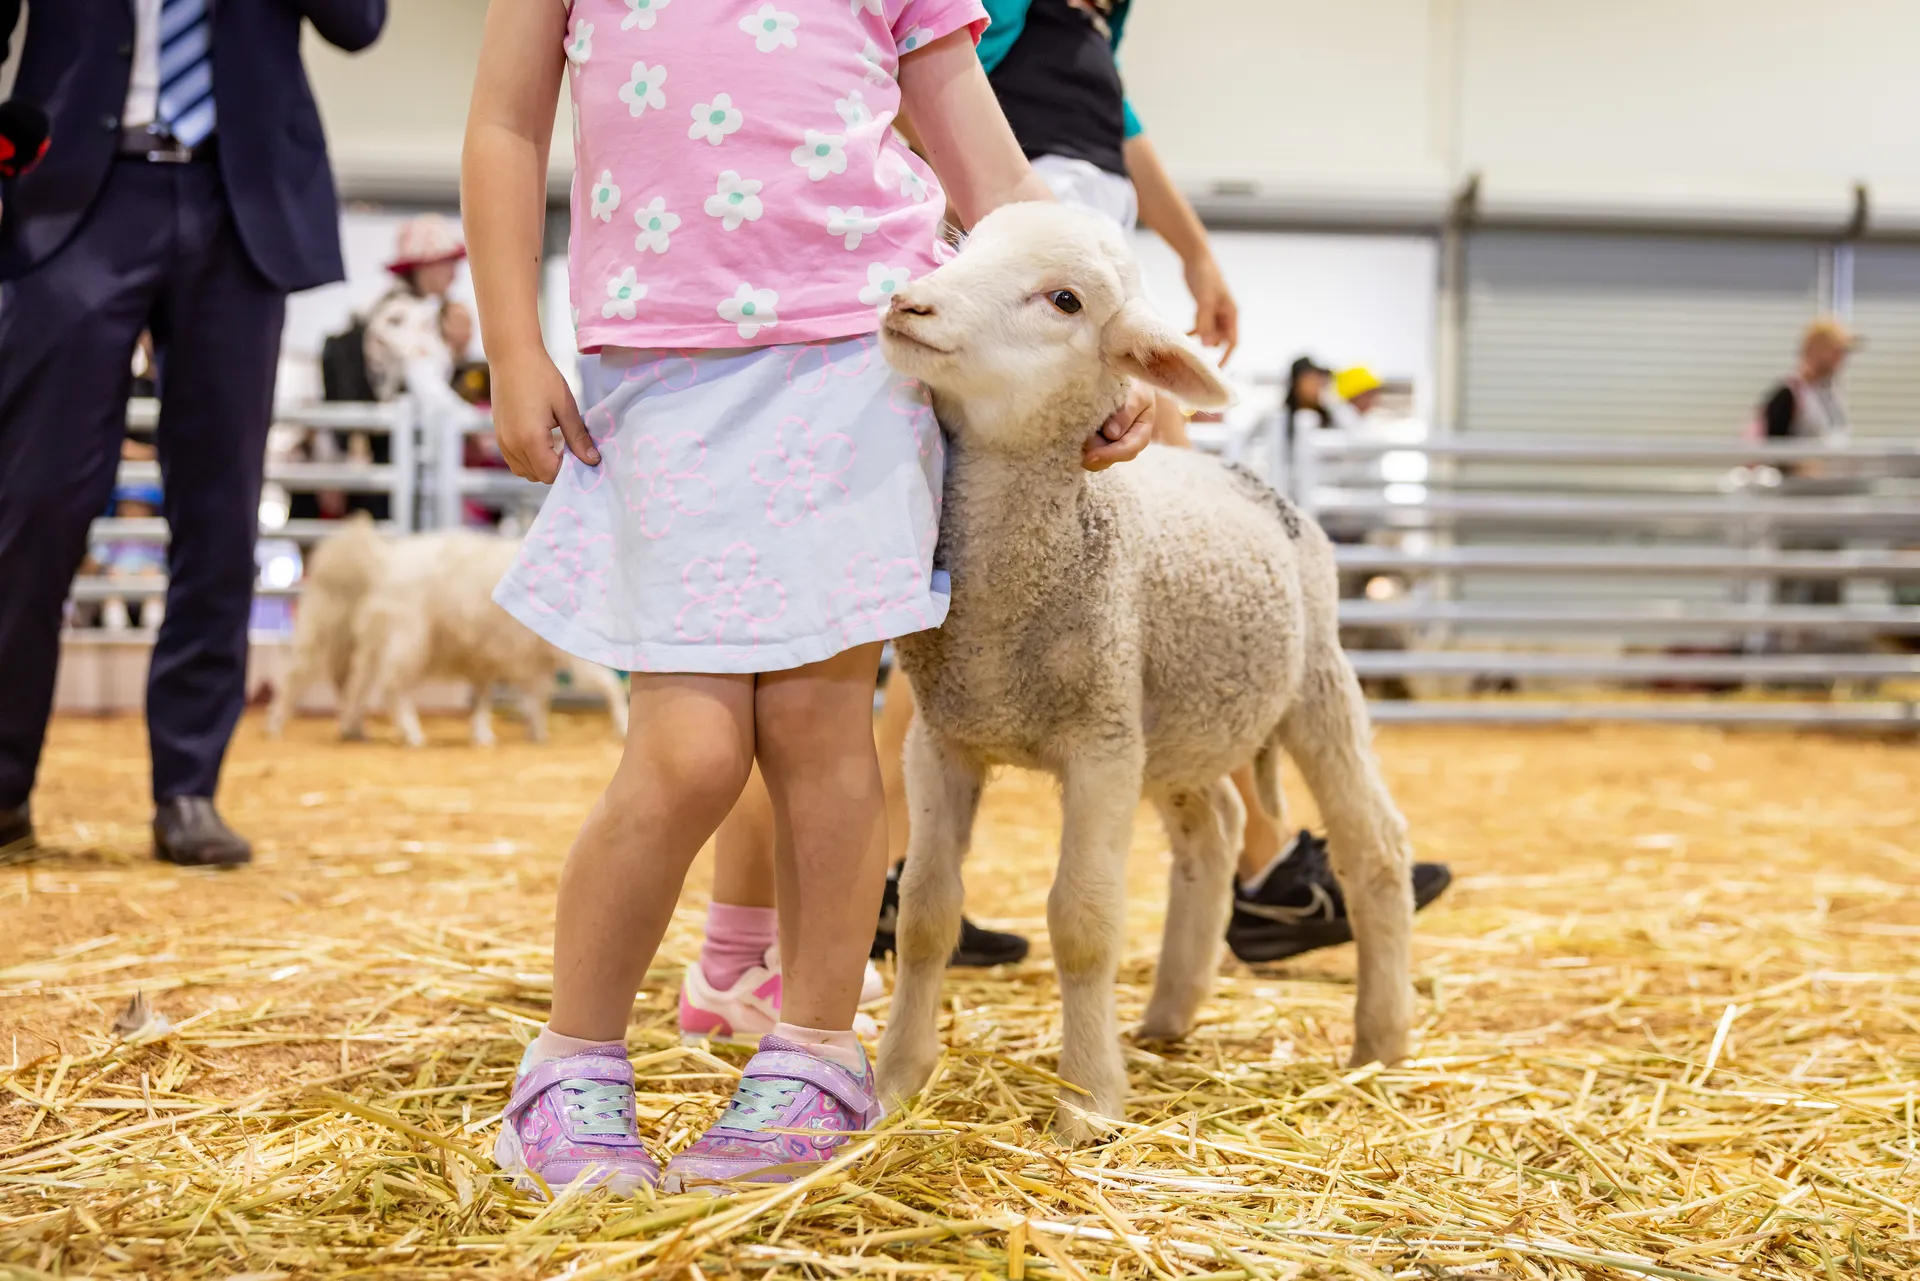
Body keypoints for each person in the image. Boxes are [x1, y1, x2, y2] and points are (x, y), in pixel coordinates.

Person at [463, 0, 1150, 1196]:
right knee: (684, 752)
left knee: (821, 729)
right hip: (663, 367)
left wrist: (1103, 345)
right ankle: (569, 1066)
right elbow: (506, 124)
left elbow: (991, 175)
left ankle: (814, 1059)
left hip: (858, 363)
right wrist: (511, 342)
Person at [0, 0, 387, 864]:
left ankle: (188, 789)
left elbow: (360, 23)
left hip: (239, 195)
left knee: (222, 514)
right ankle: (3, 785)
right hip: (74, 193)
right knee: (33, 500)